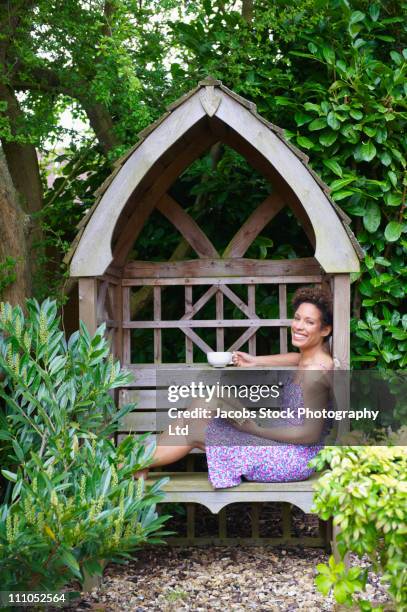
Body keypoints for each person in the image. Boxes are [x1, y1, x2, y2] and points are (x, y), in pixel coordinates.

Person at [135, 286, 334, 488]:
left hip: (291, 458)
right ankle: (140, 461)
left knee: (195, 427)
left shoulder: (315, 373)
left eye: (309, 322)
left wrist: (255, 429)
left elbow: (309, 434)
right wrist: (256, 361)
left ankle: (135, 463)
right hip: (281, 446)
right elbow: (297, 358)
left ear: (325, 330)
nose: (299, 326)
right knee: (205, 402)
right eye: (297, 318)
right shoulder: (311, 358)